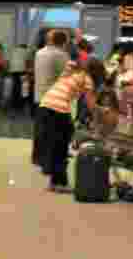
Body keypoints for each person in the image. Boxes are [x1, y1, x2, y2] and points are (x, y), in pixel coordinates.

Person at [40, 58, 108, 192]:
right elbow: (91, 105)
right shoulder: (87, 79)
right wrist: (102, 111)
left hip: (45, 105)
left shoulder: (72, 73)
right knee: (61, 147)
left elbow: (68, 67)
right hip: (57, 108)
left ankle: (54, 182)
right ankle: (60, 183)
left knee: (56, 146)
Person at [32, 30, 70, 169]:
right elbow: (66, 75)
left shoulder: (39, 53)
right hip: (54, 98)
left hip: (39, 95)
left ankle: (37, 157)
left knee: (40, 129)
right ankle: (48, 160)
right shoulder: (61, 55)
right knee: (53, 132)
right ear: (63, 41)